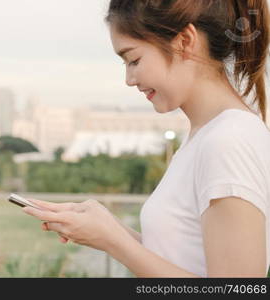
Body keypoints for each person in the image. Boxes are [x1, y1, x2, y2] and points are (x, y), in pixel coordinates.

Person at [22, 0, 270, 277]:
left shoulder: (228, 140)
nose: (129, 79)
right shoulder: (205, 137)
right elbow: (183, 260)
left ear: (185, 41)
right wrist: (110, 229)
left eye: (134, 60)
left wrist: (114, 242)